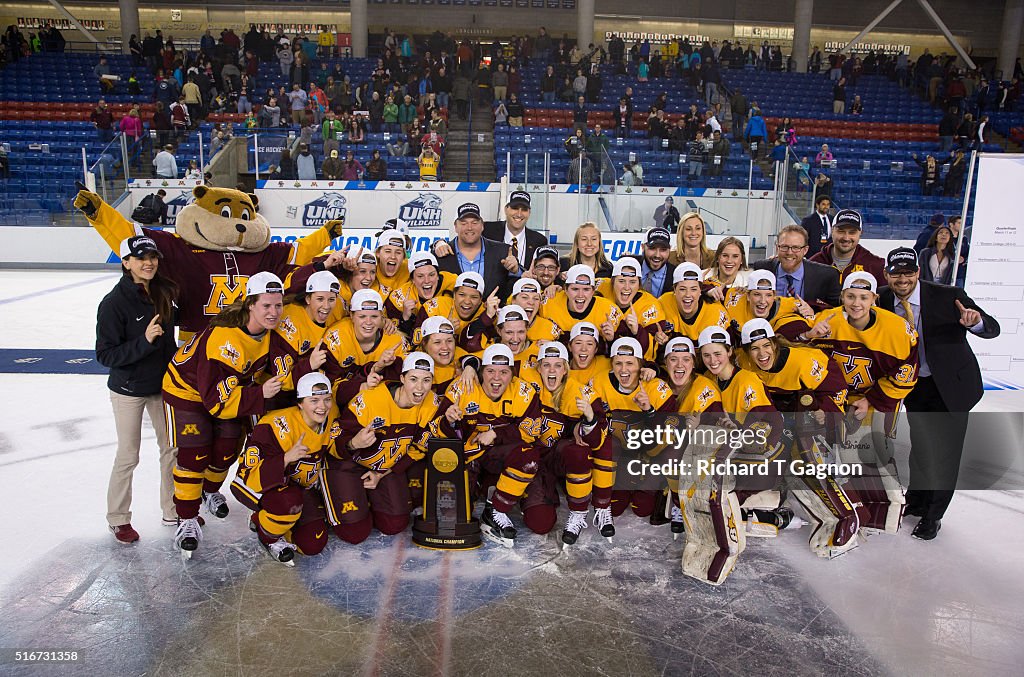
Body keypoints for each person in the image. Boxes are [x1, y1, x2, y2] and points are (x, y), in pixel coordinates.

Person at [162, 272, 287, 556]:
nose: (273, 312)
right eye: (266, 305)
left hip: (226, 393)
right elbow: (215, 403)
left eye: (277, 305)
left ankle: (208, 490)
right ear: (250, 305)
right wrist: (259, 394)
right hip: (187, 392)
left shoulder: (267, 330)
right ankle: (187, 516)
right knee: (195, 455)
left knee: (228, 449)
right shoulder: (225, 341)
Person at [878, 248, 999, 540]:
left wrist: (975, 322)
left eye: (908, 273)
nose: (902, 279)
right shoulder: (880, 298)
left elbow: (991, 328)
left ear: (918, 273)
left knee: (945, 453)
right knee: (921, 447)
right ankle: (917, 501)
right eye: (896, 273)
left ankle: (933, 515)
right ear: (887, 274)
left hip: (952, 387)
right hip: (915, 385)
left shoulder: (948, 296)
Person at [96, 236, 180, 542]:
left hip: (163, 387)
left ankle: (173, 508)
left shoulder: (163, 292)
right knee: (128, 455)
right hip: (128, 390)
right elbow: (105, 355)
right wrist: (144, 341)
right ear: (126, 262)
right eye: (140, 257)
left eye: (153, 256)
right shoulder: (113, 303)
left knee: (171, 450)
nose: (149, 262)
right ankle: (118, 518)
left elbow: (171, 340)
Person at [429, 344, 546, 545]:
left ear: (512, 373)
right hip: (469, 457)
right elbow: (436, 433)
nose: (496, 378)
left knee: (529, 458)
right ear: (481, 372)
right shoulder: (461, 387)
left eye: (504, 372)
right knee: (450, 518)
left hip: (502, 457)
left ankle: (496, 510)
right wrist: (448, 422)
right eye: (491, 371)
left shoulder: (524, 391)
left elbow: (531, 433)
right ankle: (483, 489)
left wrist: (495, 433)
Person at [326, 352, 441, 544]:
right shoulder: (371, 399)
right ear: (402, 378)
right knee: (354, 533)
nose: (420, 388)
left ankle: (370, 497)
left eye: (426, 380)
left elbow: (419, 448)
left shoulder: (432, 404)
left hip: (382, 467)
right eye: (413, 379)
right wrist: (353, 443)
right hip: (349, 464)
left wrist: (384, 473)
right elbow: (333, 437)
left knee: (394, 524)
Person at [229, 372, 334, 563]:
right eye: (314, 400)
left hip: (302, 487)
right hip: (265, 486)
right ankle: (267, 534)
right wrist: (285, 458)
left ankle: (276, 521)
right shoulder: (274, 425)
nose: (322, 406)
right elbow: (248, 475)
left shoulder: (331, 416)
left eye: (327, 399)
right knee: (288, 502)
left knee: (312, 544)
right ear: (300, 403)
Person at [752, 225, 841, 312]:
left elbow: (836, 311)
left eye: (796, 248)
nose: (789, 252)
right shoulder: (762, 269)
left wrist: (813, 313)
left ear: (805, 250)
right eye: (784, 247)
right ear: (777, 248)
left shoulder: (826, 275)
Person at [433, 202, 514, 297]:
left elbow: (518, 279)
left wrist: (516, 270)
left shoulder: (503, 251)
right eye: (464, 223)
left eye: (474, 223)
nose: (470, 227)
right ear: (455, 226)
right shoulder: (441, 254)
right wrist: (436, 244)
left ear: (482, 225)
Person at [808, 208, 885, 284]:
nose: (846, 238)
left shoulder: (876, 266)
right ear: (832, 231)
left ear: (860, 233)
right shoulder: (813, 264)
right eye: (841, 231)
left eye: (852, 232)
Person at [483, 191, 547, 276]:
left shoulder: (539, 241)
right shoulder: (487, 231)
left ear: (529, 212)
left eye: (524, 209)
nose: (519, 214)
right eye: (515, 208)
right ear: (506, 209)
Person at [635, 227, 676, 298]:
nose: (657, 255)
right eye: (652, 248)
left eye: (663, 250)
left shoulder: (675, 275)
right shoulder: (630, 265)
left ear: (670, 249)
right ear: (643, 247)